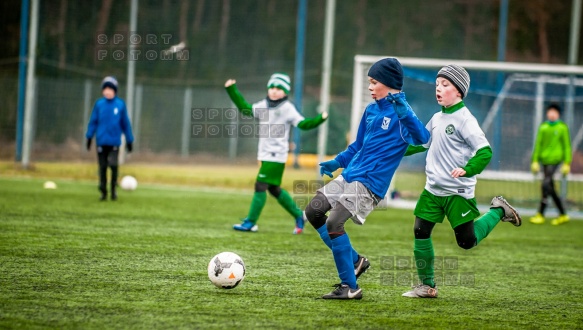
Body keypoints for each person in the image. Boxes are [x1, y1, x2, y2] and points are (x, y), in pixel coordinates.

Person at [304, 58, 430, 299]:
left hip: (370, 183)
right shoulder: (371, 110)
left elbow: (423, 138)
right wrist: (338, 161)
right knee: (313, 211)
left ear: (390, 83)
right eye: (369, 82)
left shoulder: (402, 113)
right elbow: (358, 146)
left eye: (374, 82)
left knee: (334, 223)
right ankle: (356, 260)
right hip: (351, 175)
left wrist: (405, 114)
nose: (370, 87)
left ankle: (349, 287)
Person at [401, 64, 522, 299]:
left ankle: (498, 211)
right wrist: (392, 150)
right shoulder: (436, 117)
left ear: (459, 91)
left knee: (466, 242)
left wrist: (467, 169)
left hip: (457, 192)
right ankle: (427, 286)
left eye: (445, 84)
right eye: (437, 84)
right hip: (433, 190)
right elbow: (421, 142)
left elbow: (485, 152)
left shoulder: (466, 120)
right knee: (420, 230)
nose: (439, 88)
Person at [225, 73, 327, 234]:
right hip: (265, 154)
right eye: (272, 87)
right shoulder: (263, 105)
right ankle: (299, 215)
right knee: (273, 189)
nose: (274, 90)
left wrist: (320, 119)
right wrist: (232, 90)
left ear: (285, 92)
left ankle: (251, 222)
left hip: (276, 154)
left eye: (279, 88)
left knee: (260, 184)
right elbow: (245, 109)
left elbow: (303, 124)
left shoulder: (287, 108)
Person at [86, 76, 134, 201]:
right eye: (105, 89)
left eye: (110, 89)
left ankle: (113, 190)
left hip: (114, 142)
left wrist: (129, 140)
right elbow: (93, 122)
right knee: (102, 166)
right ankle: (103, 190)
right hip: (101, 141)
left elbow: (125, 124)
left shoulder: (120, 105)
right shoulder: (99, 104)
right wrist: (89, 137)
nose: (107, 91)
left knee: (113, 164)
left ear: (115, 91)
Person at [529, 104, 572, 225]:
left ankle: (541, 213)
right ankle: (563, 214)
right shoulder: (543, 127)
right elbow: (538, 144)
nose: (552, 114)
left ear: (558, 114)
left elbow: (567, 146)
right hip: (544, 160)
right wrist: (535, 160)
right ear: (547, 113)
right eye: (550, 112)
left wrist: (567, 163)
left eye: (554, 112)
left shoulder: (562, 127)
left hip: (556, 160)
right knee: (550, 187)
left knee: (545, 184)